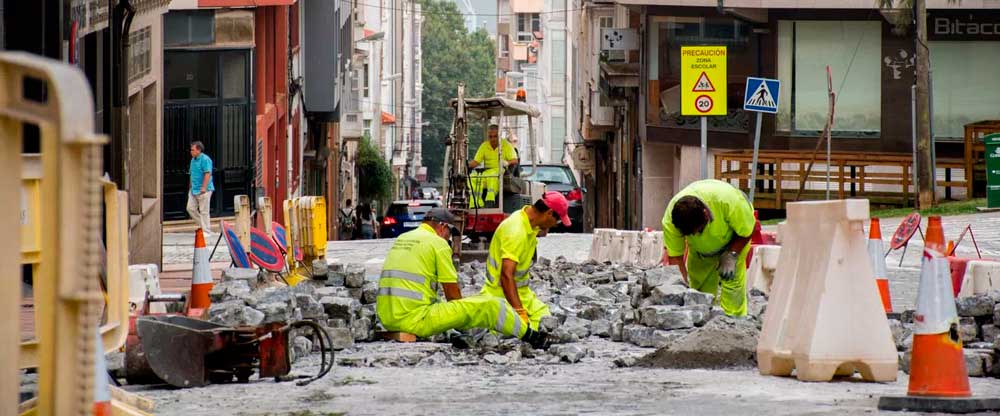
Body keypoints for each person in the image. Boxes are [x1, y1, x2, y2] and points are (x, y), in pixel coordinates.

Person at [376, 207, 550, 348]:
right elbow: (453, 296)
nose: (449, 239)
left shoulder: (403, 238)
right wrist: (466, 317)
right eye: (450, 234)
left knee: (449, 308)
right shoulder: (438, 243)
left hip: (388, 319)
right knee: (491, 306)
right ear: (443, 227)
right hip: (414, 321)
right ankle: (531, 336)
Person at [661, 179, 755, 317]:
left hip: (734, 241)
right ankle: (702, 324)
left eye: (698, 231)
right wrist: (681, 287)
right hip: (700, 252)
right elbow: (676, 258)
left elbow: (746, 231)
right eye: (690, 234)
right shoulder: (670, 221)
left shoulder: (729, 201)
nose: (695, 235)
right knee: (699, 291)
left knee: (731, 281)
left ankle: (734, 322)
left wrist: (732, 254)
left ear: (705, 214)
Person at [480, 192, 571, 330]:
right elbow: (506, 275)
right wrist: (519, 312)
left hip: (522, 293)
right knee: (512, 331)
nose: (555, 225)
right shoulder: (516, 230)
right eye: (556, 221)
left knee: (545, 321)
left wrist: (543, 226)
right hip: (499, 295)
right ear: (549, 213)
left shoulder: (528, 221)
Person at [468, 124, 518, 208]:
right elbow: (476, 162)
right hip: (487, 172)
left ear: (499, 135)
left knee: (492, 175)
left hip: (501, 171)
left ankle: (490, 201)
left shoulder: (506, 145)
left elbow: (515, 160)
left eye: (495, 136)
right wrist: (465, 167)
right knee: (473, 177)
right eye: (490, 137)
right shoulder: (484, 146)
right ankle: (476, 203)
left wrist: (507, 162)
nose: (492, 139)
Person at [187, 141, 214, 236]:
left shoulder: (205, 159)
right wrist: (190, 186)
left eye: (192, 150)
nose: (191, 151)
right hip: (194, 189)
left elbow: (208, 173)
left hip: (204, 190)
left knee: (204, 211)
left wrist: (204, 187)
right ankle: (203, 226)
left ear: (198, 150)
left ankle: (206, 231)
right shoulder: (193, 160)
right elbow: (191, 174)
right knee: (190, 208)